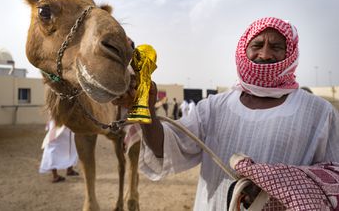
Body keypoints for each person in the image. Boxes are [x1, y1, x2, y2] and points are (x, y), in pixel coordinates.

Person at [135, 17, 339, 210]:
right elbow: (166, 148)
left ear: (291, 53)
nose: (265, 54)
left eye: (276, 47)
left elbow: (334, 181)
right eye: (257, 46)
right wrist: (146, 109)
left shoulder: (319, 113)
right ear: (244, 50)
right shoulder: (213, 107)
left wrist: (280, 183)